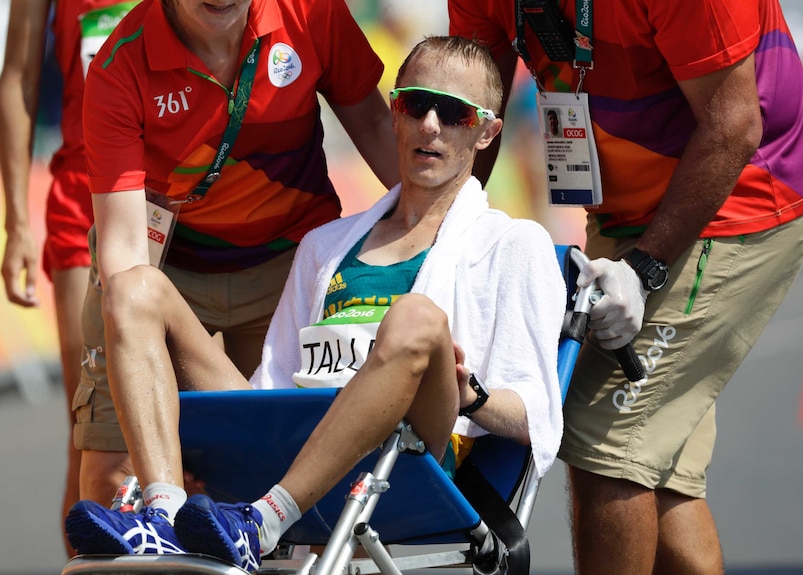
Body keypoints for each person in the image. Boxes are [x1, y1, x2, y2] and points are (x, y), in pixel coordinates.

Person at [63, 35, 567, 571]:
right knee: (133, 288)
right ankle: (164, 515)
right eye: (416, 104)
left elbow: (539, 414)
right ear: (394, 112)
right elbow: (272, 387)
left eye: (455, 113)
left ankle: (263, 521)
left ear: (487, 130)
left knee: (416, 319)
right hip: (299, 436)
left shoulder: (513, 243)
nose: (430, 126)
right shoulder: (325, 245)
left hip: (411, 454)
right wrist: (211, 448)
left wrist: (472, 395)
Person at [449, 2, 803, 574]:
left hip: (736, 200)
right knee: (659, 472)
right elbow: (476, 106)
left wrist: (644, 269)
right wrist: (442, 240)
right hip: (623, 210)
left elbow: (735, 125)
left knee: (605, 445)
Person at [70, 0, 400, 517]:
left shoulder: (312, 14)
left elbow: (379, 130)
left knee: (303, 484)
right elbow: (124, 261)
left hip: (287, 267)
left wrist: (454, 236)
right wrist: (153, 453)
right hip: (165, 271)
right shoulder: (118, 66)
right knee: (112, 482)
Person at [0, 0, 142, 555]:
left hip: (181, 199)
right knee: (93, 438)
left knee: (197, 429)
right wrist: (15, 224)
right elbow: (17, 77)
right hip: (82, 205)